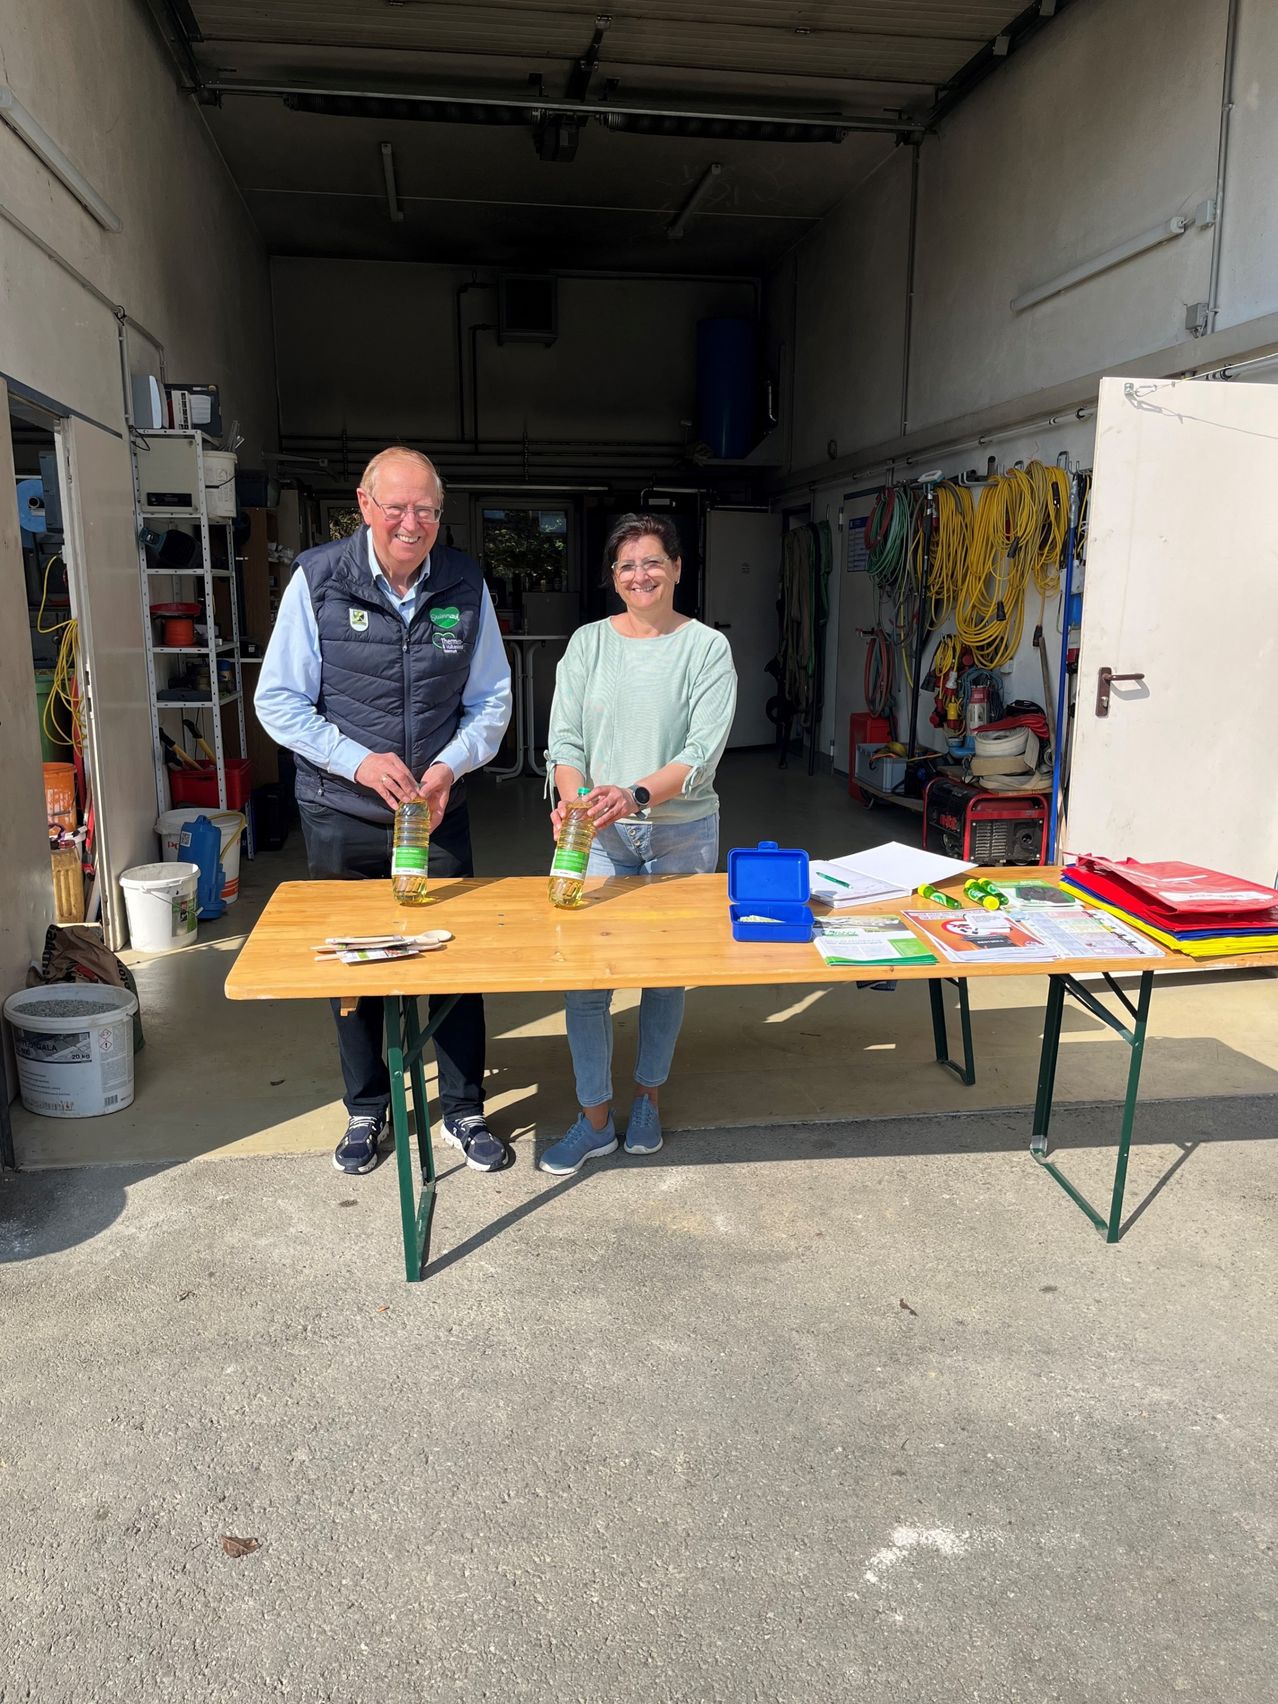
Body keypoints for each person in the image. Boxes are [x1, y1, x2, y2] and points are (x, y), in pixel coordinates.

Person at [255, 447, 512, 1177]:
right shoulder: (317, 579)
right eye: (395, 507)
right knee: (355, 968)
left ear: (440, 516)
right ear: (364, 506)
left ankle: (464, 1107)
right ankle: (368, 1108)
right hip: (342, 811)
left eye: (426, 510)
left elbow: (492, 700)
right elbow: (278, 700)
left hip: (435, 813)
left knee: (455, 961)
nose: (411, 522)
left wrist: (448, 766)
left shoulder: (465, 583)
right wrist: (356, 761)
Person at [538, 513, 737, 1176]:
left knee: (664, 974)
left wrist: (638, 794)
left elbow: (701, 754)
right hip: (596, 833)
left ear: (678, 568)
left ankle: (647, 1099)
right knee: (584, 977)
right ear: (613, 577)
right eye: (626, 566)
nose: (640, 575)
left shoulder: (707, 648)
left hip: (680, 833)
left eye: (653, 561)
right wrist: (572, 797)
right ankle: (595, 1118)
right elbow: (564, 739)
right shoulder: (588, 644)